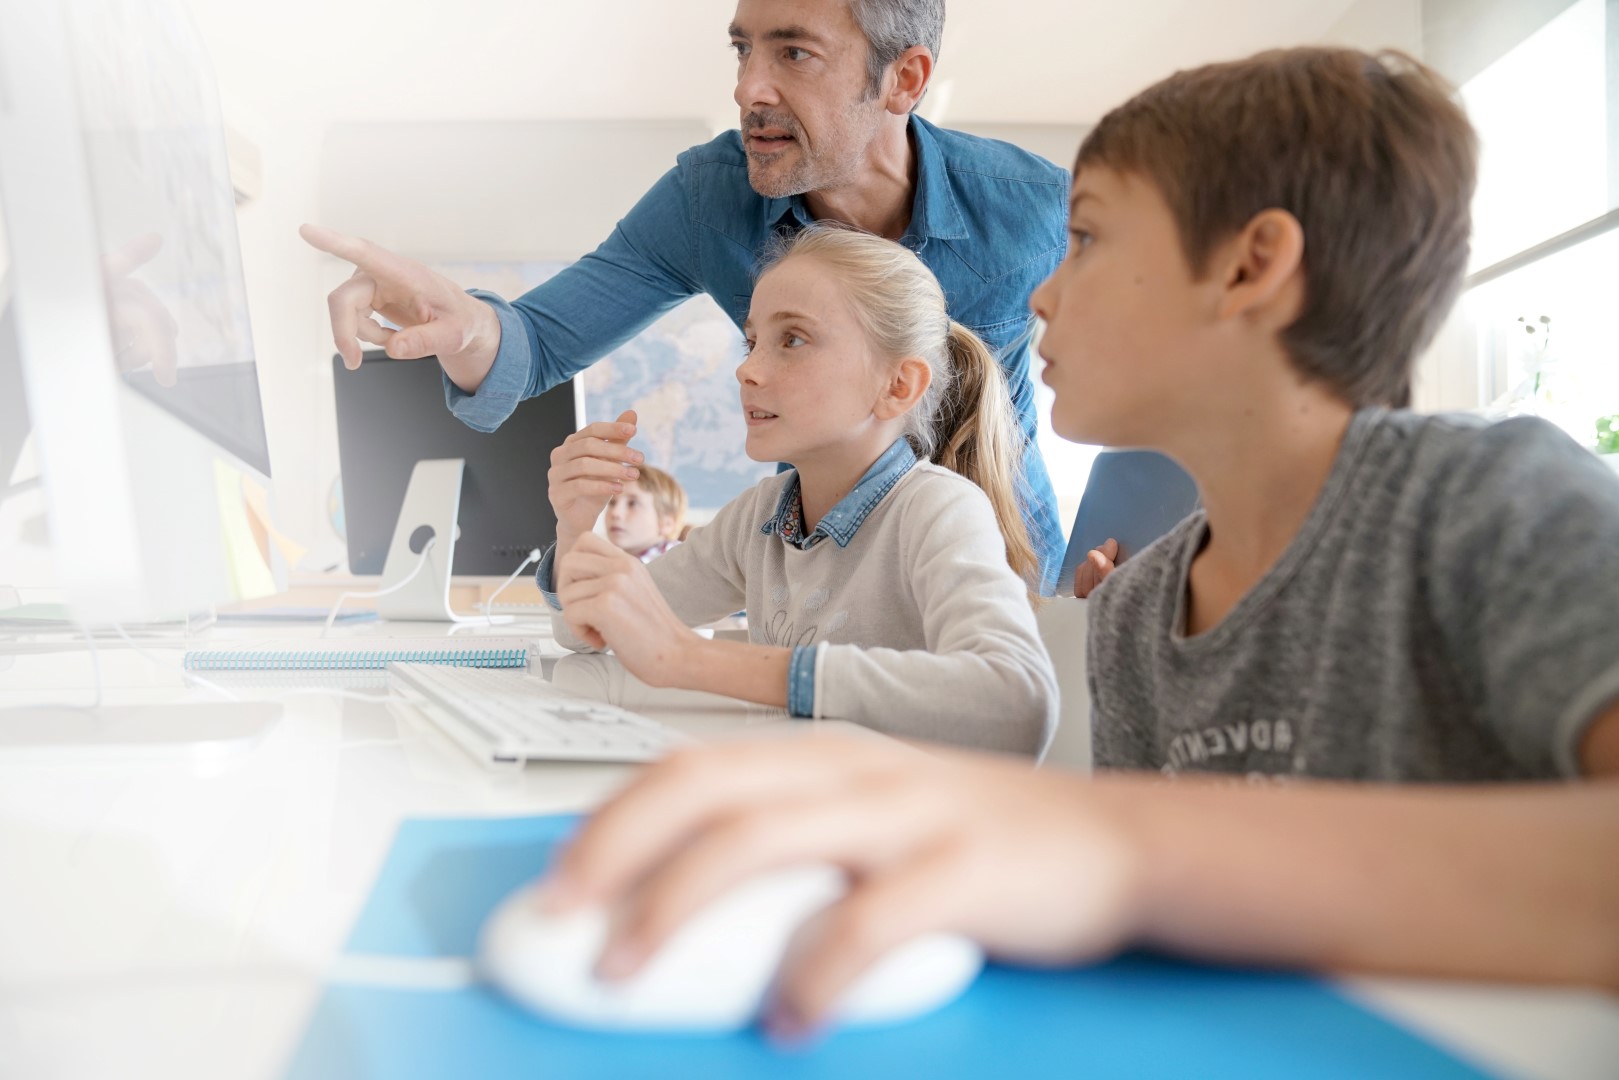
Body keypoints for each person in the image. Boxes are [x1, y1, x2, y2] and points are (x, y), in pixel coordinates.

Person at [531, 47, 1619, 1041]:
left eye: (1086, 238)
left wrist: (1119, 842)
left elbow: (1129, 859)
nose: (1042, 293)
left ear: (1249, 266)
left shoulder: (1488, 502)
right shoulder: (1139, 613)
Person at [301, 0, 1071, 590]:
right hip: (818, 576)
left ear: (904, 79)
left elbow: (1142, 377)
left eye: (794, 53)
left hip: (1009, 572)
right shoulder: (709, 200)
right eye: (742, 49)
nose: (747, 88)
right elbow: (535, 345)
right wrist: (465, 324)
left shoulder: (1035, 211)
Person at [540, 225, 1056, 755]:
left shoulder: (937, 509)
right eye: (752, 342)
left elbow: (1015, 703)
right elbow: (584, 631)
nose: (746, 369)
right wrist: (576, 525)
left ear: (898, 385)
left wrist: (690, 658)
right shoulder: (759, 517)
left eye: (792, 339)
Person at [604, 463, 687, 563]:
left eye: (632, 503)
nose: (615, 513)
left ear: (667, 523)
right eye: (612, 502)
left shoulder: (676, 560)